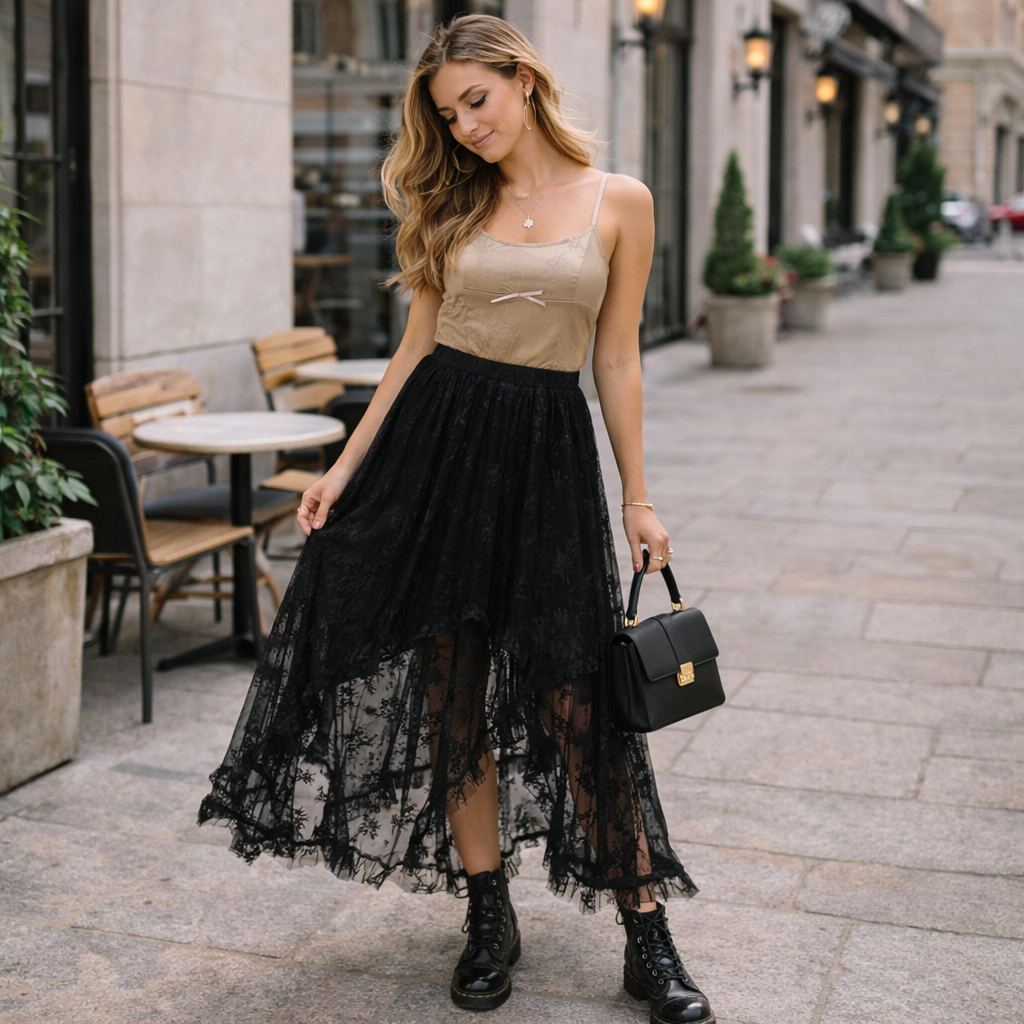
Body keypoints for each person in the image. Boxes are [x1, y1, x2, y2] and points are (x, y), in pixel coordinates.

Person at [199, 14, 714, 1024]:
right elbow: (413, 351)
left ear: (522, 79)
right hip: (433, 458)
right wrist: (343, 470)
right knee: (454, 698)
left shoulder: (621, 202)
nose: (466, 126)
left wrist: (639, 498)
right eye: (448, 114)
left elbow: (615, 358)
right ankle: (490, 914)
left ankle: (645, 930)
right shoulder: (449, 201)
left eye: (475, 101)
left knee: (578, 706)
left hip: (545, 460)